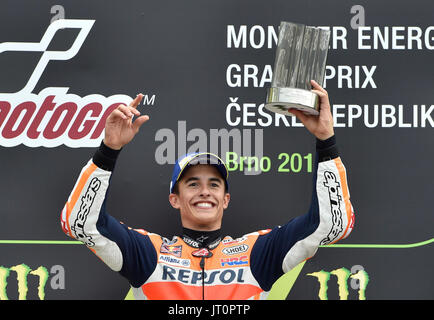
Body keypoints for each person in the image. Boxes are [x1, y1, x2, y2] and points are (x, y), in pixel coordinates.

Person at [60, 80, 355, 300]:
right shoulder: (150, 254)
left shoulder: (257, 253)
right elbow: (80, 223)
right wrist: (108, 151)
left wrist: (325, 140)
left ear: (225, 199)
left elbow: (330, 225)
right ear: (174, 198)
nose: (204, 191)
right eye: (192, 183)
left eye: (214, 184)